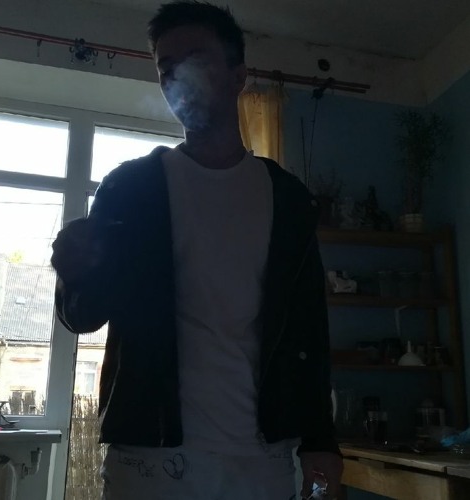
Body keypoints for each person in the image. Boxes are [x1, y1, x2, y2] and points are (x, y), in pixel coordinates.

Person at [51, 1, 343, 499]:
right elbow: (83, 316)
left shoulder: (289, 200)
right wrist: (73, 272)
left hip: (264, 459)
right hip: (149, 458)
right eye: (166, 67)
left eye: (196, 59)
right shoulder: (130, 188)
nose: (177, 76)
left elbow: (308, 326)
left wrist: (320, 439)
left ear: (238, 77)